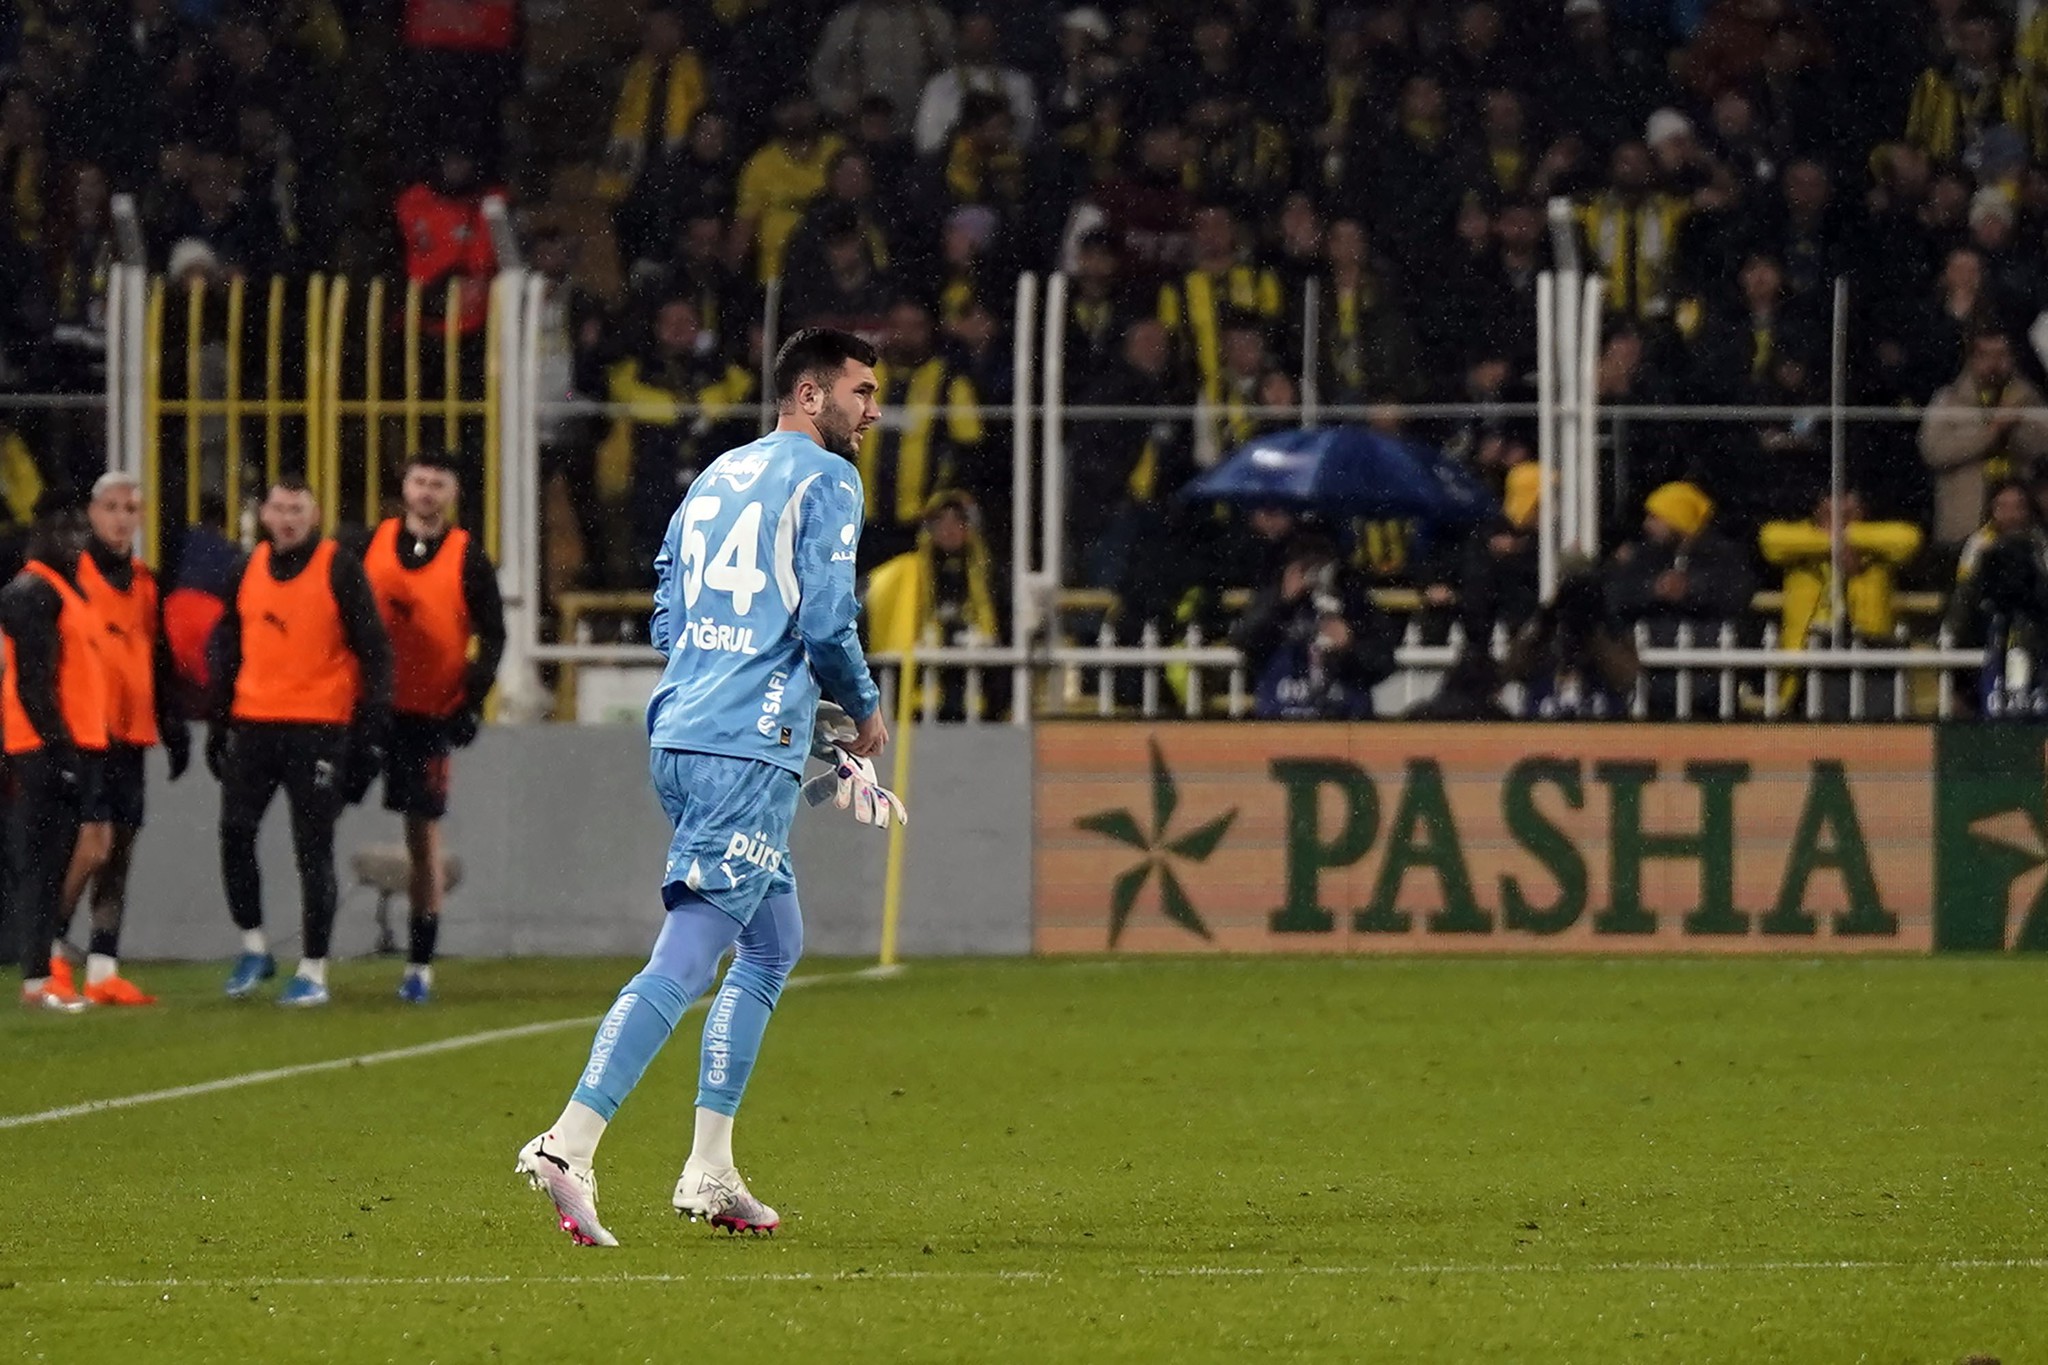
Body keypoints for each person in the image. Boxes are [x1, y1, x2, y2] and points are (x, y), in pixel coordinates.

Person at [516, 328, 898, 1246]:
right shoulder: (830, 479)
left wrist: (727, 679)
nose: (873, 410)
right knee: (691, 948)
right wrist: (861, 709)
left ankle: (710, 1168)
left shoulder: (717, 475)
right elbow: (828, 611)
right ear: (809, 395)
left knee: (772, 943)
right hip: (742, 746)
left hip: (684, 727)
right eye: (862, 390)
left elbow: (665, 599)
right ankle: (570, 1141)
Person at [210, 479, 393, 1006]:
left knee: (312, 848)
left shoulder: (339, 568)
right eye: (279, 507)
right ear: (263, 513)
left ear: (314, 515)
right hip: (253, 723)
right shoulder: (244, 569)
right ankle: (254, 946)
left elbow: (374, 651)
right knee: (235, 834)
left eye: (297, 509)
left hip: (318, 728)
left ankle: (313, 968)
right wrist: (219, 723)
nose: (287, 518)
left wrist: (370, 732)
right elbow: (229, 646)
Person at [363, 452, 506, 1004]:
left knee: (422, 838)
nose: (426, 492)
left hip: (428, 714)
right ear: (404, 486)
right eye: (419, 481)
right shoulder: (368, 544)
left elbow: (494, 634)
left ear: (452, 493)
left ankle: (419, 965)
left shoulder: (468, 556)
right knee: (315, 819)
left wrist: (470, 700)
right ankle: (312, 961)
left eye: (437, 484)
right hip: (366, 709)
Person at [53, 472, 192, 1006]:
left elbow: (155, 660)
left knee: (121, 851)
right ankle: (50, 952)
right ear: (92, 513)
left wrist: (172, 724)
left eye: (130, 508)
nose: (120, 517)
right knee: (92, 845)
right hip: (84, 731)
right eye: (111, 507)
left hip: (131, 732)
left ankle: (104, 966)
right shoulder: (70, 575)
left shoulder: (145, 582)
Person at [2, 495, 107, 1012]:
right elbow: (32, 683)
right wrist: (59, 750)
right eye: (63, 528)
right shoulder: (33, 590)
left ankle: (43, 974)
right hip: (43, 747)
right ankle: (37, 978)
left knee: (52, 863)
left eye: (79, 528)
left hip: (69, 744)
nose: (75, 539)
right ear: (40, 531)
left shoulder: (64, 587)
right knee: (40, 865)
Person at [1230, 529, 1396, 721]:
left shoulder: (1354, 602)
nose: (1313, 571)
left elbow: (1384, 661)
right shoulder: (1272, 598)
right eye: (1304, 560)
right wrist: (1282, 601)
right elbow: (1243, 641)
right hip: (1281, 717)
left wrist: (1350, 647)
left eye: (1320, 559)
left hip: (1344, 719)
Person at [1919, 331, 2048, 551]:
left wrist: (2015, 426)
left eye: (2001, 355)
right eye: (1986, 355)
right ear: (1972, 358)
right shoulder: (1949, 400)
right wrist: (1993, 431)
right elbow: (1933, 451)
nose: (1994, 364)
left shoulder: (2028, 397)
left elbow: (2042, 447)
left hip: (2022, 525)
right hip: (1964, 523)